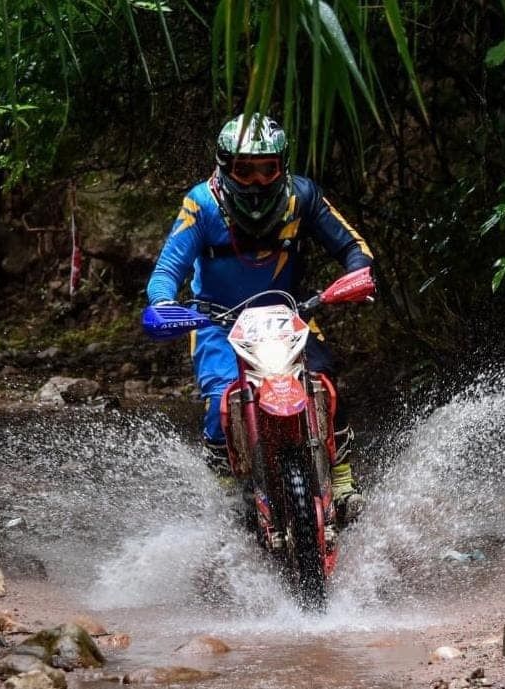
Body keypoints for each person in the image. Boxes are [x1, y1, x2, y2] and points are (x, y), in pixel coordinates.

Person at [146, 113, 374, 525]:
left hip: (288, 316)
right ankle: (226, 495)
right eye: (244, 170)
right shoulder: (201, 204)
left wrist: (357, 275)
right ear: (225, 167)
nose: (255, 182)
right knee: (221, 401)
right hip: (216, 322)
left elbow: (351, 245)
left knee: (323, 381)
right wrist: (163, 304)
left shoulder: (302, 197)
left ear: (281, 167)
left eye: (266, 170)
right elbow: (167, 270)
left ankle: (342, 482)